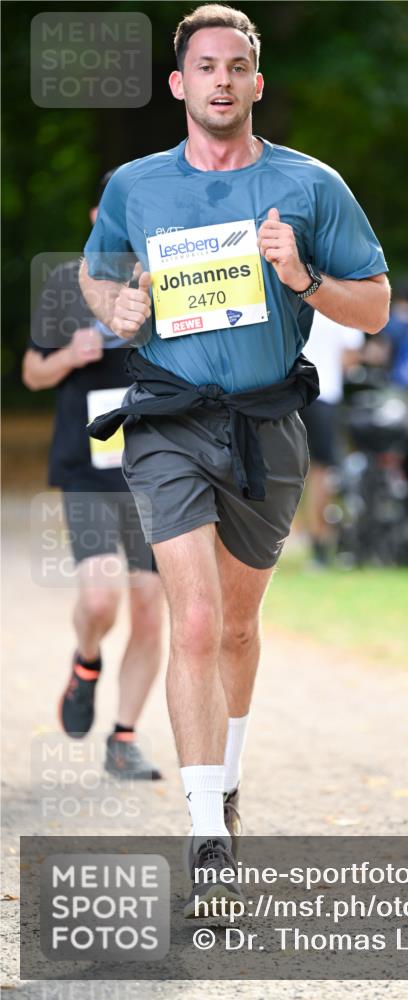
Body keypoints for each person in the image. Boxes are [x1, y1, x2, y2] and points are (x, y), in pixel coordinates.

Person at [78, 3, 389, 913]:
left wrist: (302, 280)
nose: (221, 80)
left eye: (236, 66)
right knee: (199, 621)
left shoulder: (312, 185)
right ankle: (205, 830)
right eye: (204, 67)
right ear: (179, 85)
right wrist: (116, 310)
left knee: (242, 629)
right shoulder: (137, 185)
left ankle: (229, 781)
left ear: (257, 82)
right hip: (168, 421)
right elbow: (99, 274)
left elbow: (372, 307)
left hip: (266, 425)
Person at [22, 172, 163, 779]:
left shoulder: (167, 276)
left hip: (156, 463)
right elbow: (31, 373)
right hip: (87, 464)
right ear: (95, 217)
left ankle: (124, 738)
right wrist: (66, 358)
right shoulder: (64, 282)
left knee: (152, 607)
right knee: (102, 598)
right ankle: (86, 664)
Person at [300, 312, 365, 568]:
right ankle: (319, 546)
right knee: (321, 472)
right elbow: (350, 357)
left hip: (291, 394)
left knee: (285, 471)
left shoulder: (292, 295)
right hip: (324, 393)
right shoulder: (340, 304)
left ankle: (268, 543)